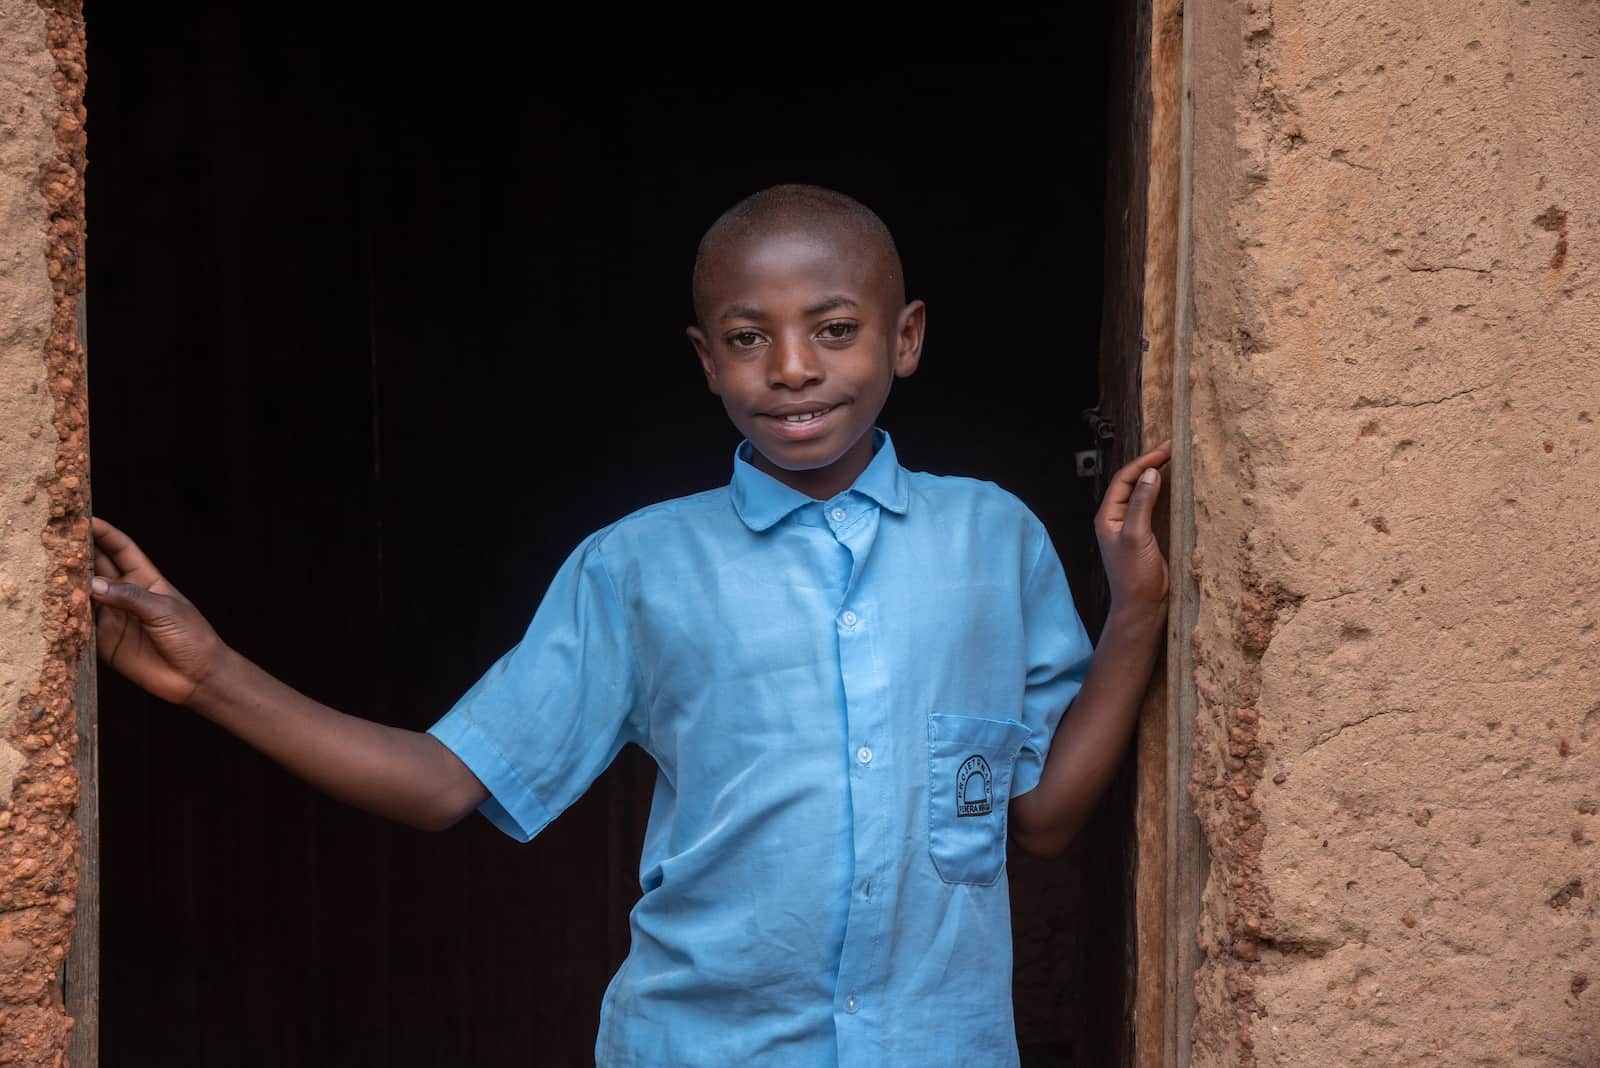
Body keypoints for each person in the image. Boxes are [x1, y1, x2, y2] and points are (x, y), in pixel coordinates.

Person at [90, 184, 1171, 1066]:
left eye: (833, 330)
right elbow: (444, 783)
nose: (792, 367)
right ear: (707, 360)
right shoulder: (637, 567)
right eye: (749, 338)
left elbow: (1040, 820)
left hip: (942, 1049)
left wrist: (1136, 615)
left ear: (906, 337)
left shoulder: (993, 541)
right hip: (697, 1047)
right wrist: (211, 676)